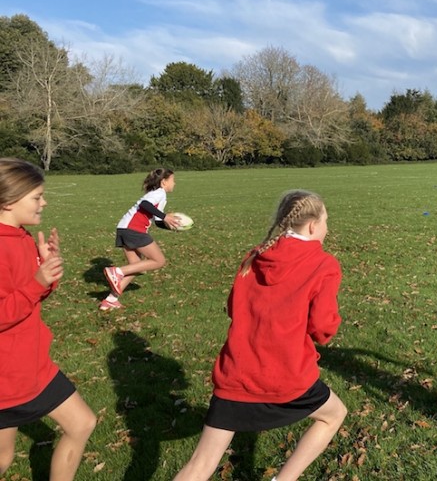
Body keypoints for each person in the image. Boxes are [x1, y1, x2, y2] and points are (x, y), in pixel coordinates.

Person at [174, 190, 347, 481]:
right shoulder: (323, 264)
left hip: (236, 374)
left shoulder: (254, 255)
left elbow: (233, 306)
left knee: (200, 465)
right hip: (287, 377)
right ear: (313, 226)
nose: (328, 229)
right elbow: (323, 328)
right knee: (334, 415)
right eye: (327, 221)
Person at [0, 158, 97, 480]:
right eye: (37, 196)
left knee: (82, 423)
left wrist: (48, 270)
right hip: (8, 377)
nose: (44, 202)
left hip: (31, 365)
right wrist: (36, 282)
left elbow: (28, 298)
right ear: (10, 200)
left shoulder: (20, 236)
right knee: (2, 456)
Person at [101, 168, 180, 311]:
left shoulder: (157, 195)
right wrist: (165, 216)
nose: (175, 183)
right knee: (159, 261)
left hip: (125, 229)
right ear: (163, 182)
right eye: (173, 180)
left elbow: (157, 220)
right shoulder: (159, 193)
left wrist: (172, 225)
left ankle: (111, 300)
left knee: (136, 265)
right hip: (133, 229)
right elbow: (145, 205)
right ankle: (117, 271)